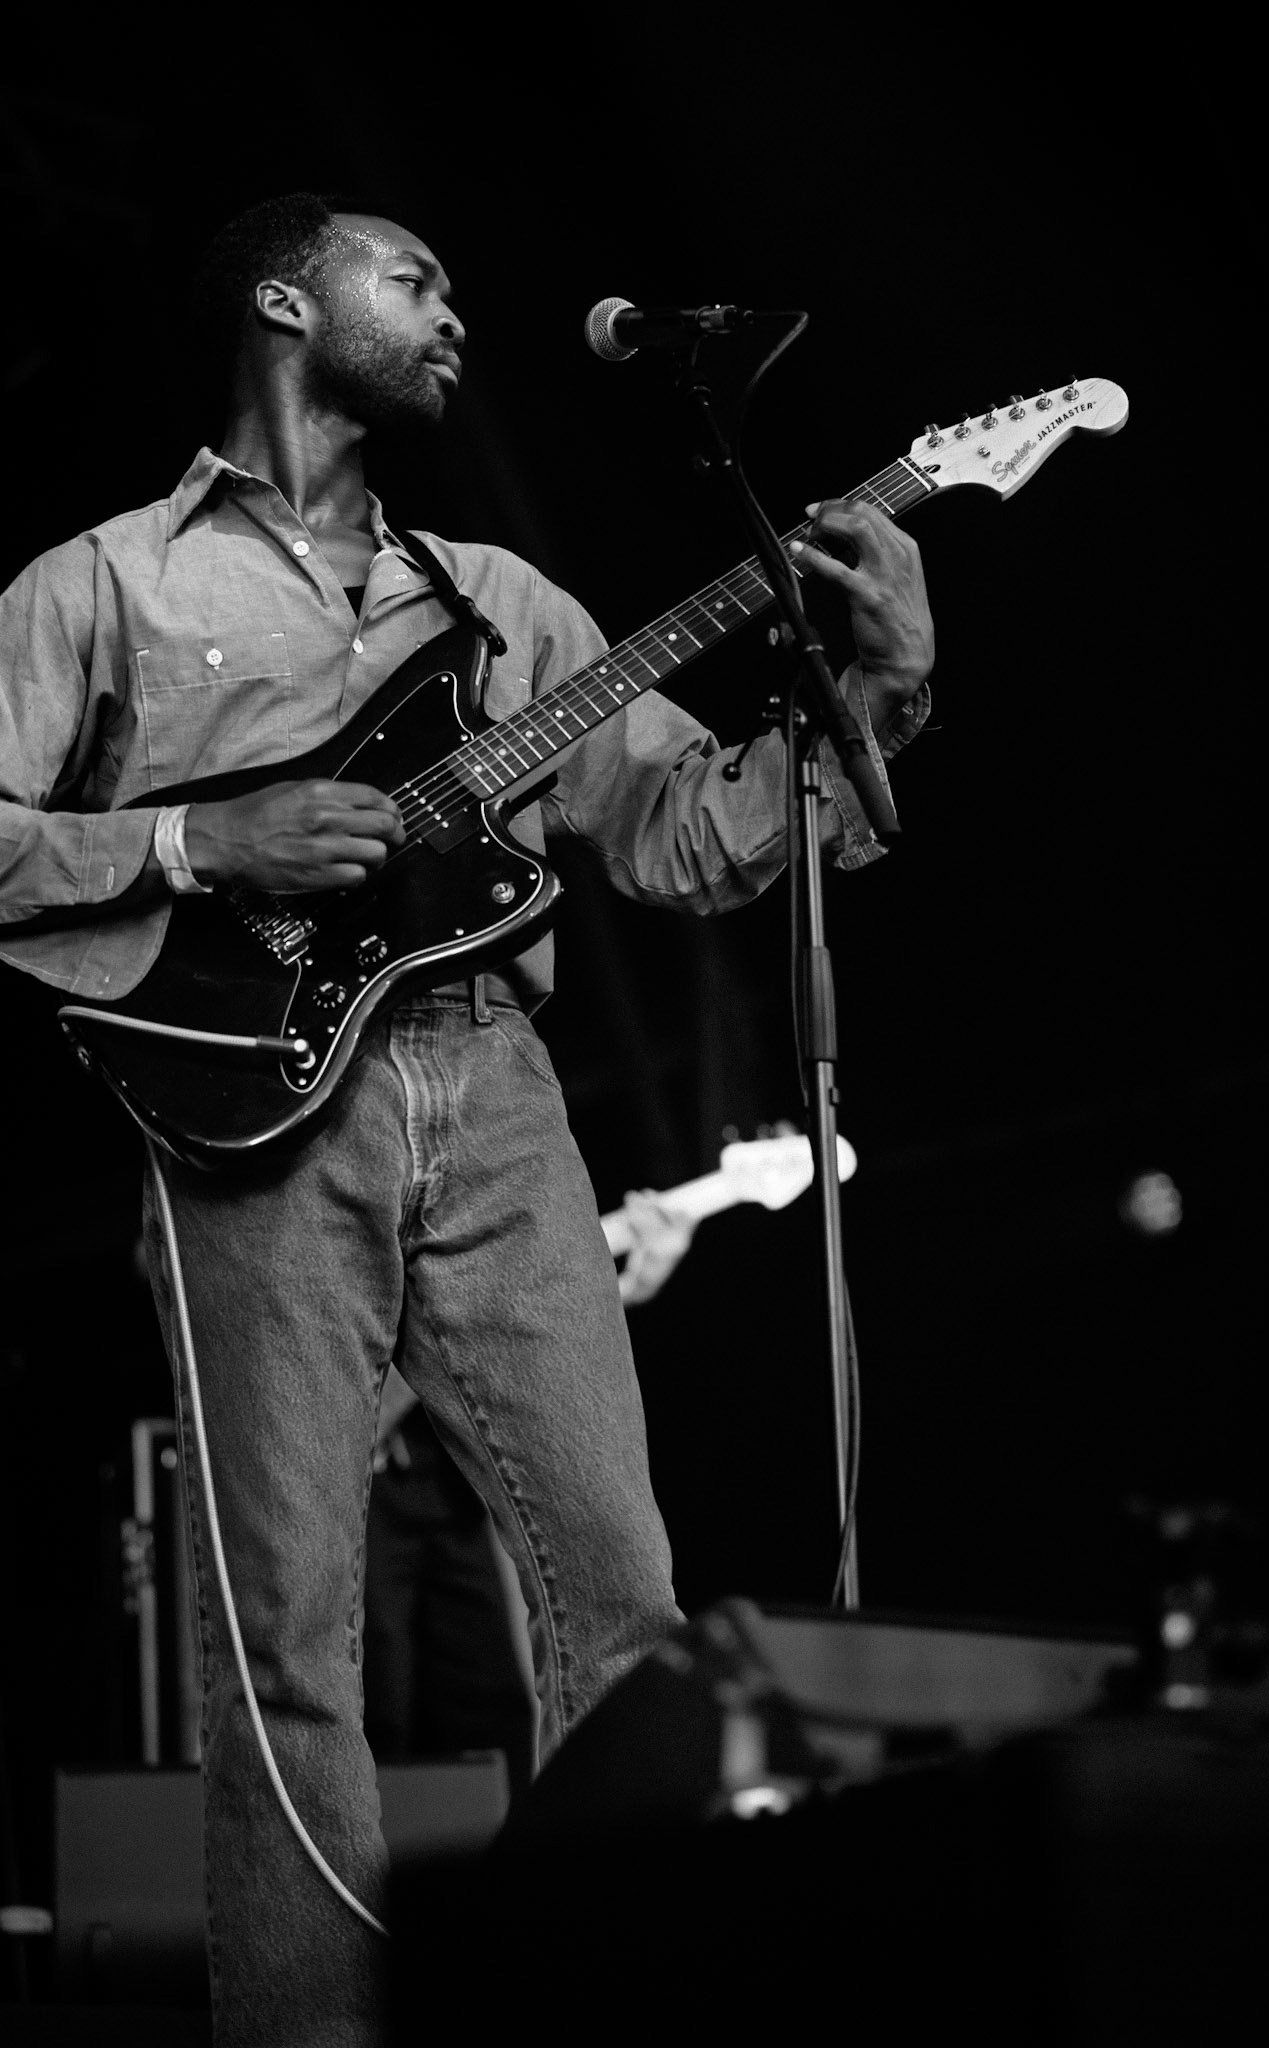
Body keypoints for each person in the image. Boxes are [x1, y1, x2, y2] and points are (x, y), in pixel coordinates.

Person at [0, 193, 934, 2046]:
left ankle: (633, 1997)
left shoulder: (503, 605)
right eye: (411, 278)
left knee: (625, 1582)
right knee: (292, 1640)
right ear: (288, 299)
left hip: (496, 1085)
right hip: (250, 1115)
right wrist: (199, 836)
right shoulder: (98, 584)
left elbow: (692, 838)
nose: (450, 316)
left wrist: (887, 680)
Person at [363, 1192, 698, 1795]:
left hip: (456, 1487)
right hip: (368, 1486)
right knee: (375, 1709)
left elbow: (510, 1314)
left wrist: (622, 1287)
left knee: (491, 1712)